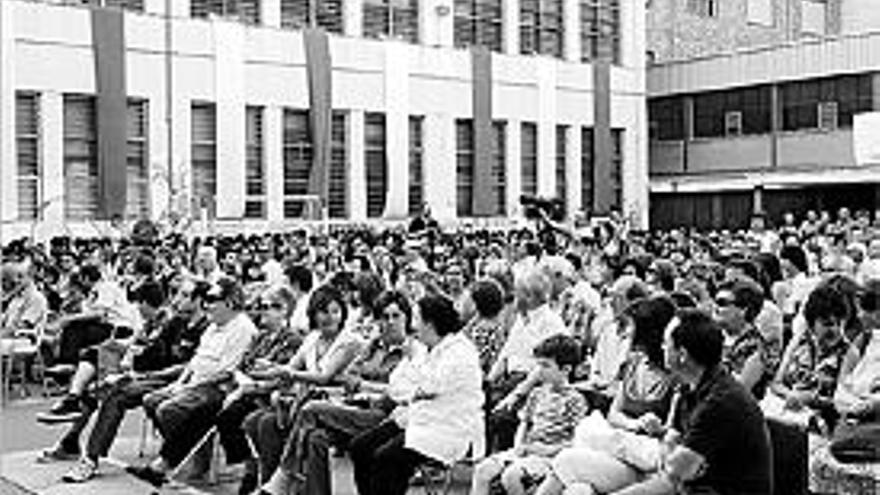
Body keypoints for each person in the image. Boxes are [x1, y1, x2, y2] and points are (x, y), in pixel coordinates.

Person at [252, 290, 426, 495]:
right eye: (384, 317)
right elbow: (347, 379)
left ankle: (284, 477)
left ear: (407, 318)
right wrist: (364, 385)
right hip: (352, 407)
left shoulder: (413, 351)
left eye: (396, 316)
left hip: (385, 415)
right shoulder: (372, 346)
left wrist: (365, 386)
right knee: (315, 437)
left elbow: (401, 392)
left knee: (310, 409)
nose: (390, 322)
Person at [613, 309, 773, 495]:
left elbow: (676, 470)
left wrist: (679, 459)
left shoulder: (721, 401)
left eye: (666, 343)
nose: (662, 347)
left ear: (682, 354)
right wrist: (678, 458)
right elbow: (670, 456)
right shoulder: (688, 387)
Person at [534, 296, 678, 495]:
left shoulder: (676, 378)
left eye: (631, 328)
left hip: (648, 465)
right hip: (621, 451)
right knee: (578, 490)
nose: (625, 333)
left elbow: (672, 435)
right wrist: (634, 425)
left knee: (566, 459)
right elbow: (614, 415)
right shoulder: (633, 364)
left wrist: (655, 428)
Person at [126, 277, 259, 487]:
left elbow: (228, 372)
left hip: (216, 389)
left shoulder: (242, 328)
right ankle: (184, 457)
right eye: (207, 299)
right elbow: (194, 361)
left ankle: (187, 461)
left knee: (168, 409)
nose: (207, 305)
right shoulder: (213, 326)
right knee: (151, 400)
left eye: (213, 299)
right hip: (194, 383)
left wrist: (189, 387)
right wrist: (179, 384)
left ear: (230, 302)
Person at [349, 294, 484, 495]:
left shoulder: (459, 352)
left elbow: (425, 389)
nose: (413, 326)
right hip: (421, 418)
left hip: (449, 427)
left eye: (416, 320)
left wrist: (413, 381)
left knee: (386, 458)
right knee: (359, 447)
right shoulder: (427, 348)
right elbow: (397, 386)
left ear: (430, 324)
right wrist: (412, 386)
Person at [241, 285, 364, 485]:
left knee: (311, 436)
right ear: (313, 314)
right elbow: (290, 369)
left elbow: (324, 377)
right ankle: (270, 482)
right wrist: (267, 371)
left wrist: (285, 372)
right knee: (259, 422)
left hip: (335, 407)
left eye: (335, 311)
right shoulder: (312, 338)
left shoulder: (350, 342)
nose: (330, 317)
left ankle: (282, 480)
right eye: (324, 312)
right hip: (305, 402)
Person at [471, 334, 587, 495]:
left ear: (566, 369)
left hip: (551, 457)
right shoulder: (537, 394)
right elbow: (524, 423)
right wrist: (518, 445)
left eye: (546, 366)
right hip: (526, 451)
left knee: (511, 476)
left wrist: (548, 450)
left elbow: (578, 440)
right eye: (538, 365)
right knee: (482, 470)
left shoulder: (575, 400)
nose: (539, 371)